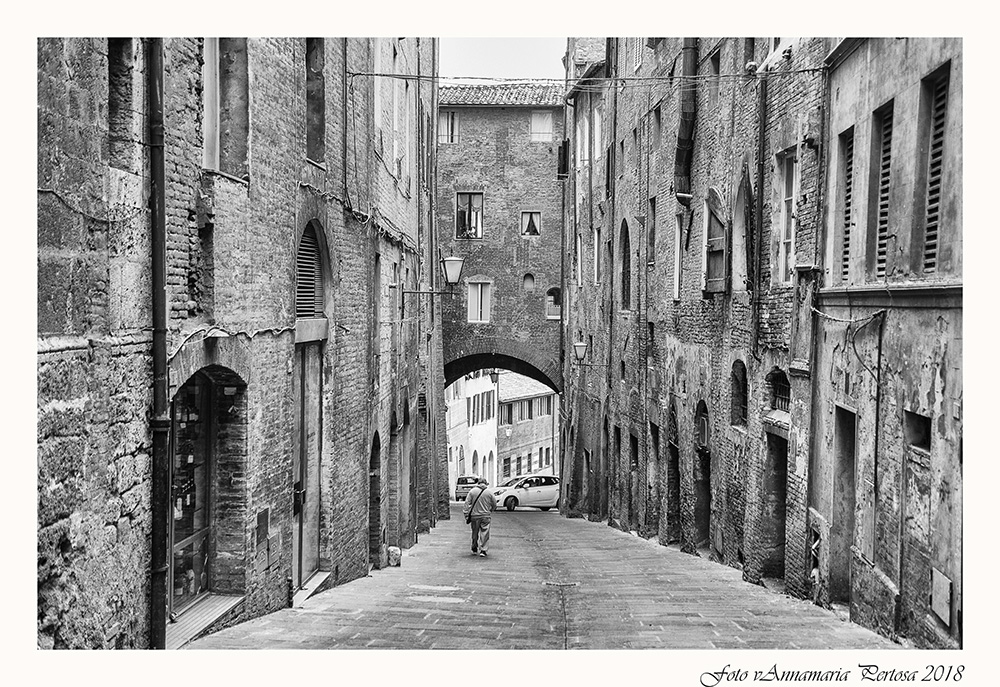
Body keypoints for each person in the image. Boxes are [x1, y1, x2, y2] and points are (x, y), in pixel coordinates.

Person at [463, 476, 497, 557]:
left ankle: (474, 547)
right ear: (485, 483)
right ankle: (483, 550)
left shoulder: (472, 492)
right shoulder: (489, 492)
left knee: (475, 532)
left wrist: (466, 514)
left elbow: (466, 504)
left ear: (478, 483)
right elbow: (494, 504)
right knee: (485, 532)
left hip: (474, 516)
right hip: (485, 515)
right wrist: (490, 510)